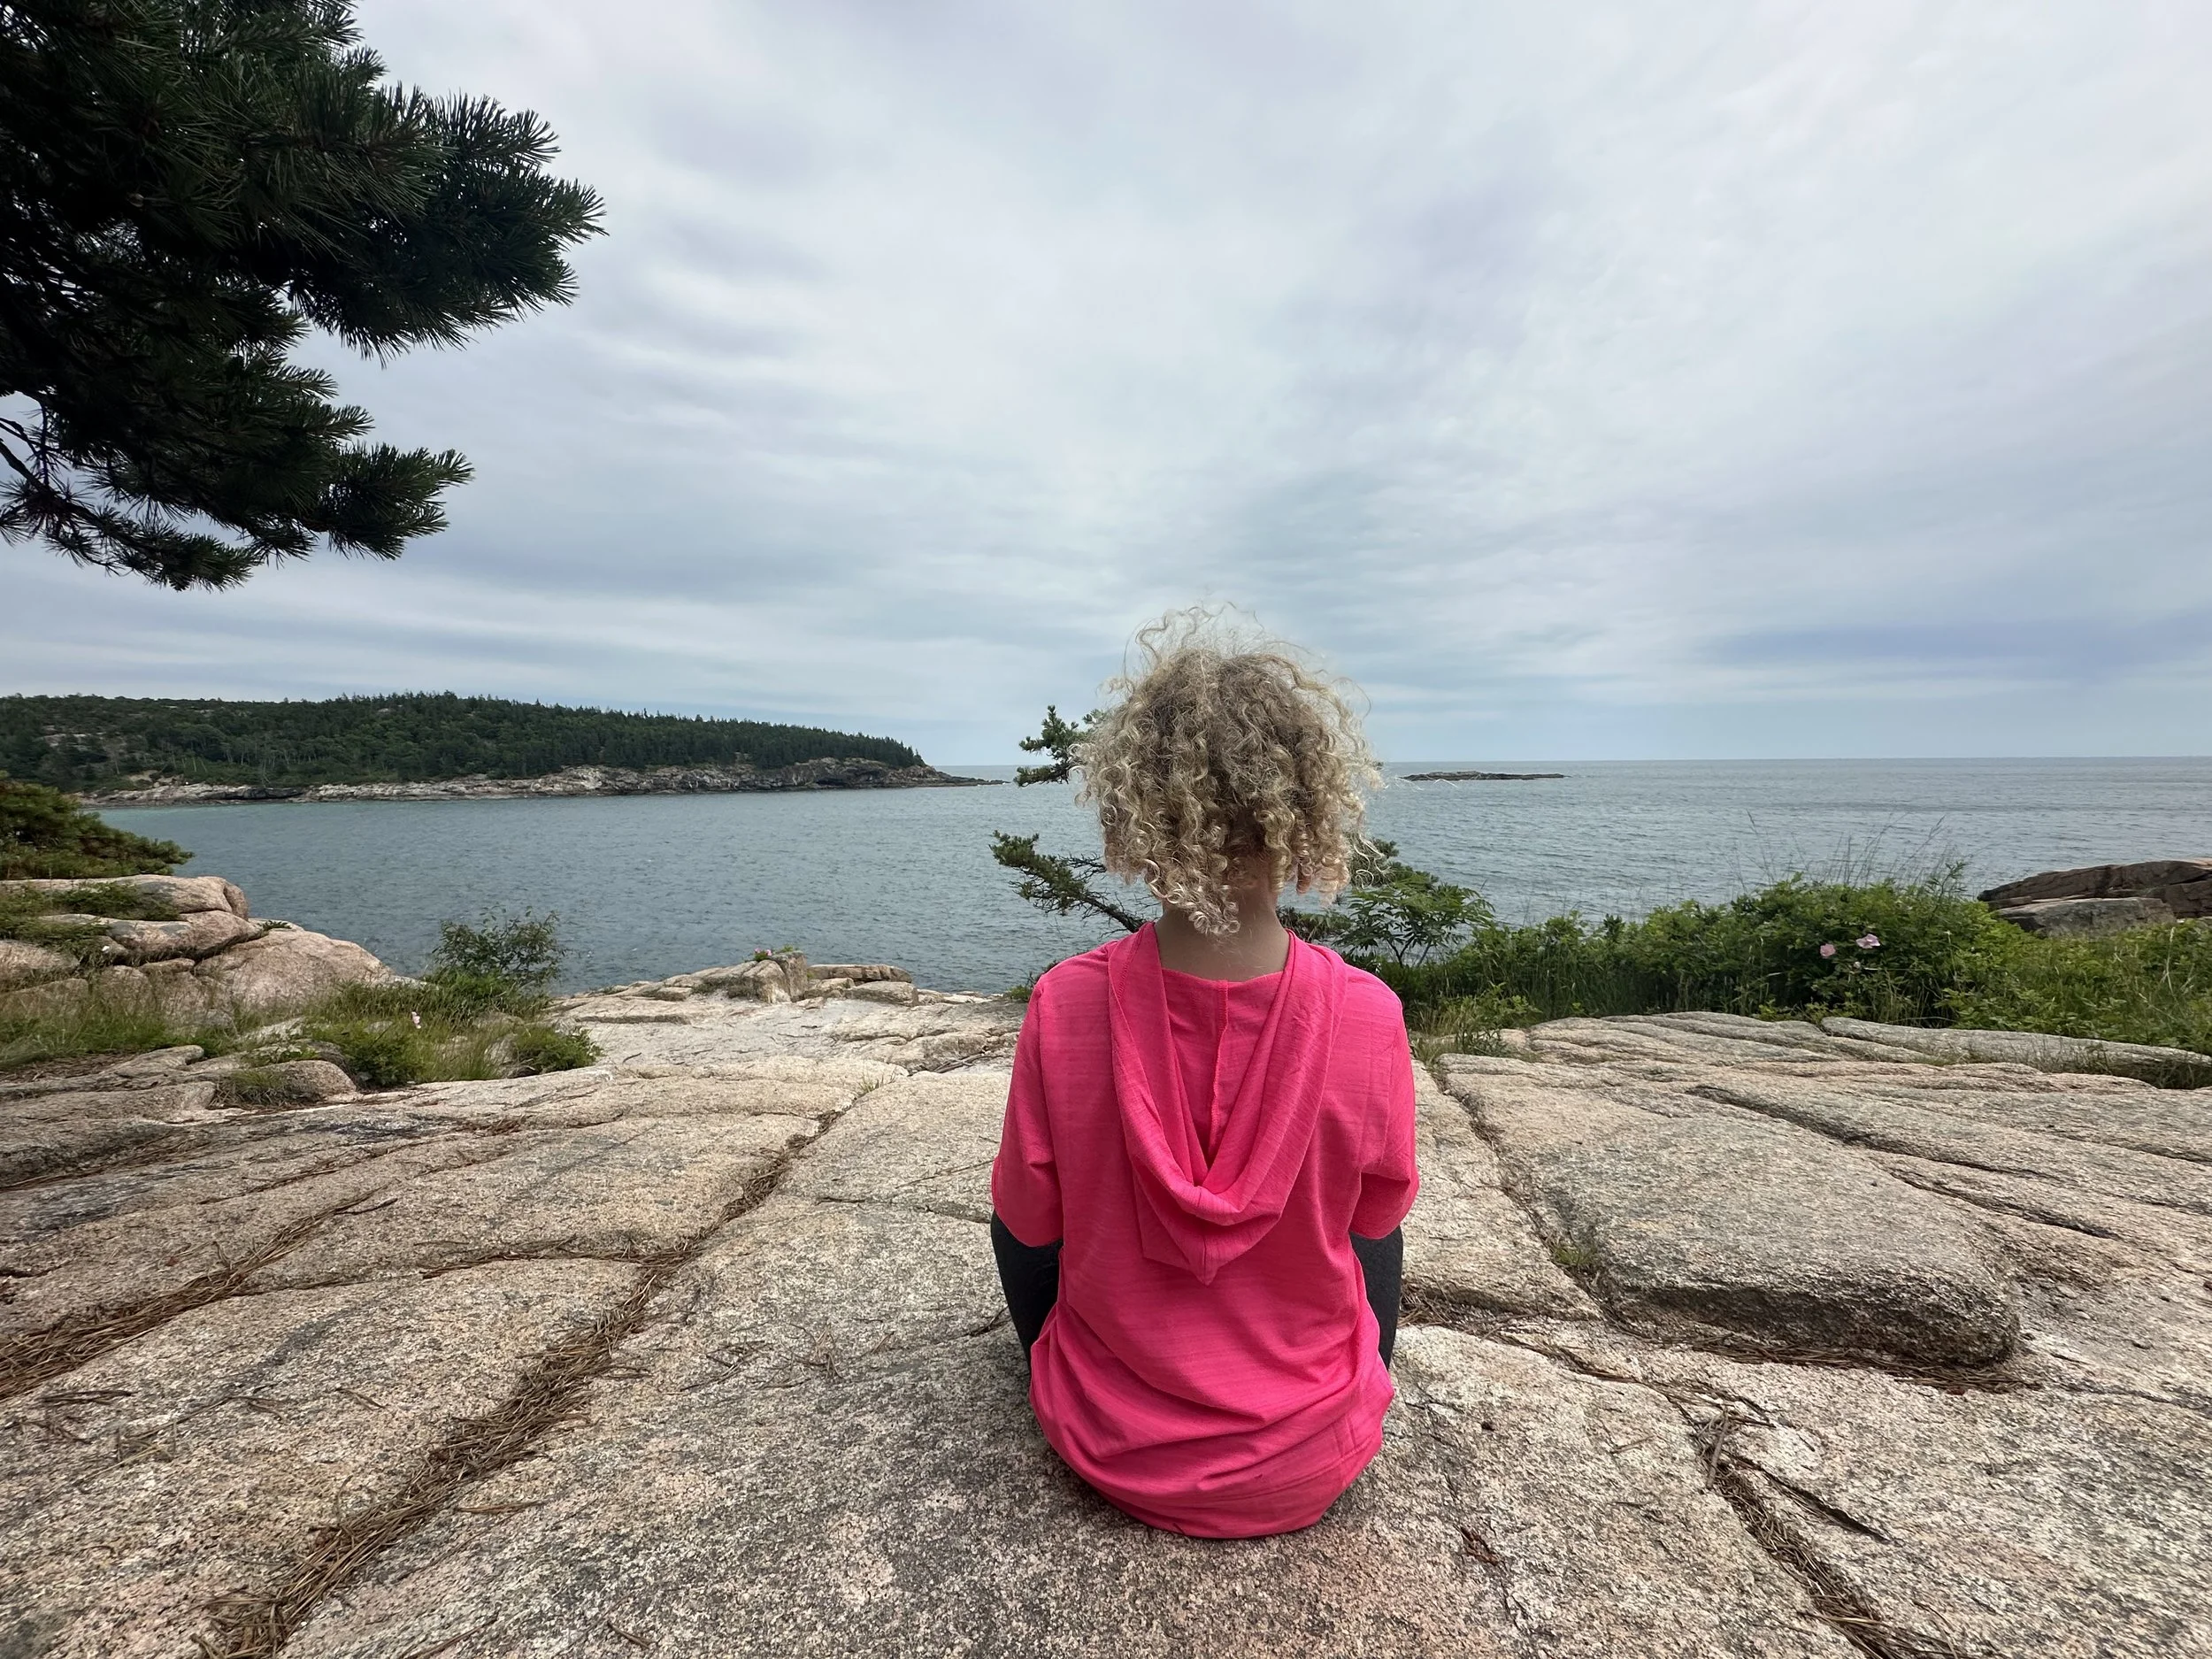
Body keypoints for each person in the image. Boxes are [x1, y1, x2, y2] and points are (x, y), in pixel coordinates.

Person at [989, 611, 1420, 1539]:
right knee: (1366, 1223)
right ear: (1304, 815)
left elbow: (1029, 1224)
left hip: (1110, 1445)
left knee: (1020, 1202)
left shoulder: (1065, 1005)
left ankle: (1072, 1374)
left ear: (1135, 820)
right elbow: (1374, 1222)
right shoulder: (1369, 1016)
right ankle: (1333, 1394)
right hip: (1312, 1458)